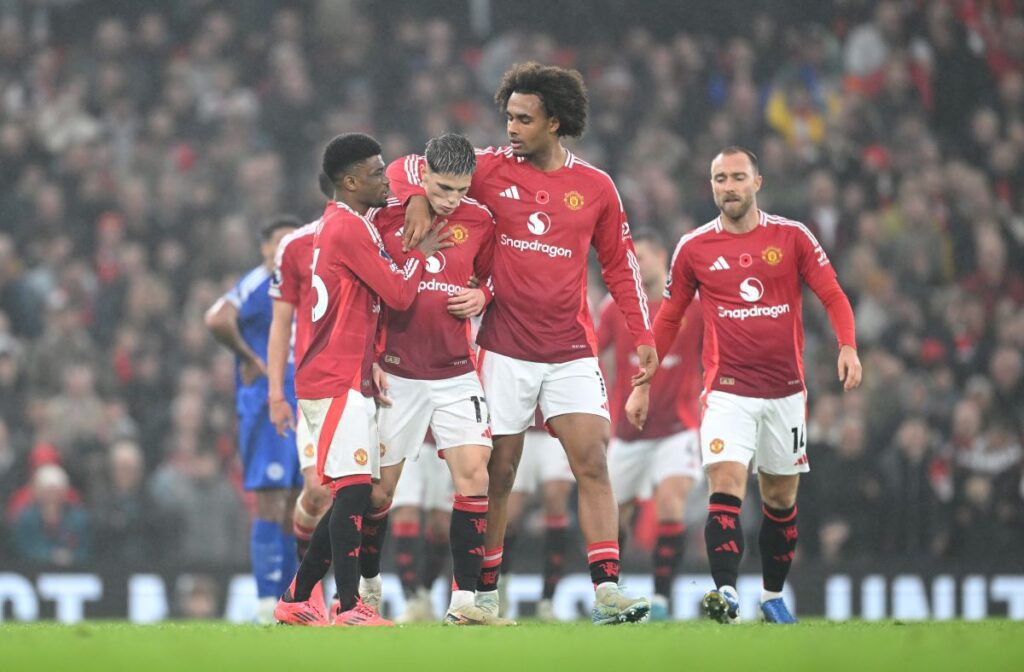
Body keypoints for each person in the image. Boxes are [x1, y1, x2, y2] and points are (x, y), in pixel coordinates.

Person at [389, 62, 658, 626]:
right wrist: (416, 195)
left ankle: (607, 590)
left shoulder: (596, 188)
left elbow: (620, 266)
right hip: (503, 348)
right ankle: (484, 590)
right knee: (499, 472)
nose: (510, 126)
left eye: (524, 118)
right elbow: (411, 163)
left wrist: (642, 335)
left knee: (591, 462)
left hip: (571, 350)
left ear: (555, 122)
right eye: (508, 115)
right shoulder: (487, 168)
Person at [628, 146, 862, 625]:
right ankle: (727, 593)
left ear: (757, 183)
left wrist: (848, 346)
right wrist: (643, 381)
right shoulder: (694, 247)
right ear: (711, 186)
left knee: (779, 498)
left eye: (737, 177)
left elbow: (833, 293)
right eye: (719, 179)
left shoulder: (792, 237)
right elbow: (669, 316)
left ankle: (772, 596)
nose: (728, 187)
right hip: (727, 392)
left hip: (785, 392)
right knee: (726, 484)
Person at [273, 132, 449, 627]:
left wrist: (372, 356)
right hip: (330, 377)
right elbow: (395, 294)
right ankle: (349, 606)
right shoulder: (348, 229)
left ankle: (297, 596)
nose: (385, 178)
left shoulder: (352, 223)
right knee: (351, 490)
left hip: (347, 373)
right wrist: (420, 254)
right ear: (349, 182)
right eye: (375, 172)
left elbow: (363, 305)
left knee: (357, 491)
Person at [365, 132, 506, 625]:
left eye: (461, 190)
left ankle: (464, 602)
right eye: (443, 188)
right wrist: (372, 357)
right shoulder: (386, 216)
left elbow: (492, 276)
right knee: (381, 492)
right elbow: (364, 292)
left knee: (474, 477)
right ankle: (367, 587)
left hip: (455, 373)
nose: (451, 200)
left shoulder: (481, 220)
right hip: (398, 373)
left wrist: (482, 297)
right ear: (423, 175)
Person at [599, 228, 703, 621]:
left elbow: (715, 353)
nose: (636, 266)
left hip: (677, 428)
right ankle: (613, 594)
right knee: (612, 516)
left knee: (671, 504)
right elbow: (591, 349)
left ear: (662, 256)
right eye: (631, 259)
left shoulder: (692, 308)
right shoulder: (616, 308)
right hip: (627, 433)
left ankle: (660, 599)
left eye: (640, 257)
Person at [204, 215, 302, 623]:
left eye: (292, 241)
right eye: (279, 242)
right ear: (265, 248)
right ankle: (266, 601)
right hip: (267, 403)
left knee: (299, 502)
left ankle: (294, 601)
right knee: (270, 499)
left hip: (305, 402)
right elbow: (216, 318)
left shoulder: (304, 283)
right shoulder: (257, 282)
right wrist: (251, 360)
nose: (285, 249)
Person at [267, 173, 335, 570]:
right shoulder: (296, 246)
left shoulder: (382, 238)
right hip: (316, 388)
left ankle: (357, 596)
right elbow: (282, 326)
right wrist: (276, 393)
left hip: (366, 386)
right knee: (317, 491)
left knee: (365, 496)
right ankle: (305, 587)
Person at [502, 415, 574, 621]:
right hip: (517, 427)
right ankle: (500, 585)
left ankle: (548, 600)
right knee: (508, 516)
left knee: (556, 498)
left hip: (556, 427)